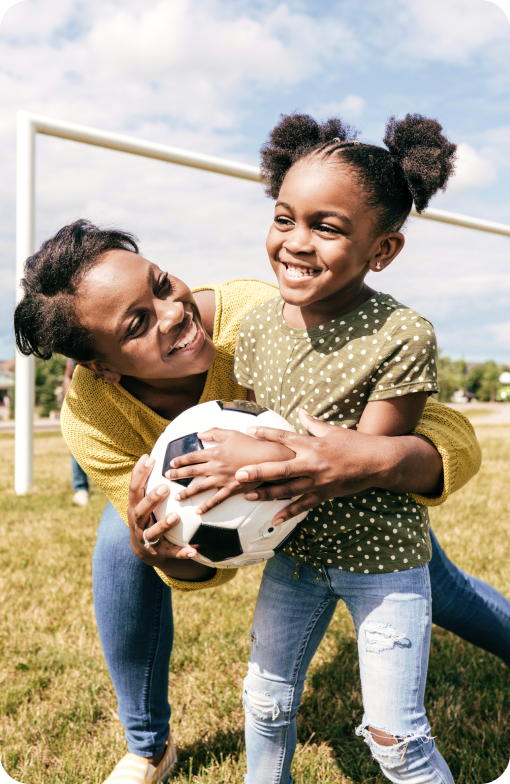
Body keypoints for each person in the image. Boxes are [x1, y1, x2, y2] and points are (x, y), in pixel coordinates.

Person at [12, 202, 508, 784]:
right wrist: (166, 553)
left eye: (164, 284)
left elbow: (450, 434)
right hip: (245, 533)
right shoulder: (93, 415)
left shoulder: (260, 313)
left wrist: (359, 459)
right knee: (121, 540)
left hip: (356, 503)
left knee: (440, 586)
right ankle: (148, 744)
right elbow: (203, 571)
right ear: (103, 368)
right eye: (137, 325)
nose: (174, 313)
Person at [162, 112, 486, 782]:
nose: (296, 243)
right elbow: (252, 423)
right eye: (284, 219)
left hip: (382, 562)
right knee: (266, 702)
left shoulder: (401, 333)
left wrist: (251, 462)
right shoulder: (255, 328)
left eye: (327, 226)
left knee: (396, 737)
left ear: (382, 249)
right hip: (297, 557)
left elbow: (358, 463)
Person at [63, 358, 90, 506]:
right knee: (76, 444)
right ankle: (80, 488)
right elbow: (68, 375)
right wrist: (69, 401)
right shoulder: (73, 357)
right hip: (80, 403)